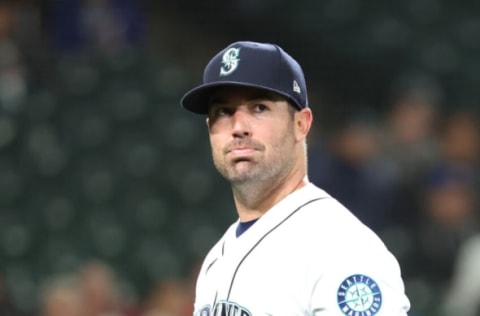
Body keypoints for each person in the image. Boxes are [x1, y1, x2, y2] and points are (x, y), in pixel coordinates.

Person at [180, 41, 410, 315]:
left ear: (301, 124)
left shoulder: (341, 248)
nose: (238, 127)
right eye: (223, 112)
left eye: (259, 108)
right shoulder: (216, 260)